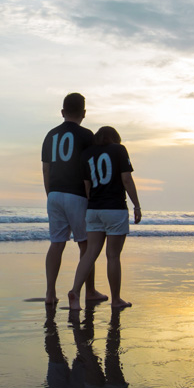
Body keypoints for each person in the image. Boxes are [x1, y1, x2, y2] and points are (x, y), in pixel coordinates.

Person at [42, 93, 106, 305]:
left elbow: (46, 168)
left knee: (56, 243)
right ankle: (90, 290)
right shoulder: (87, 135)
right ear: (84, 113)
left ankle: (50, 293)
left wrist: (49, 193)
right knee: (86, 244)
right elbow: (92, 167)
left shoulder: (50, 135)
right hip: (77, 194)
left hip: (54, 194)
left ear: (62, 112)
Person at [67, 126, 141, 310]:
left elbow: (87, 185)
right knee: (113, 256)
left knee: (90, 253)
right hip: (114, 208)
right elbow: (126, 179)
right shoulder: (119, 149)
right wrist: (137, 205)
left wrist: (91, 206)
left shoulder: (86, 154)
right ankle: (116, 299)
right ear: (115, 137)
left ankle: (75, 290)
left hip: (94, 209)